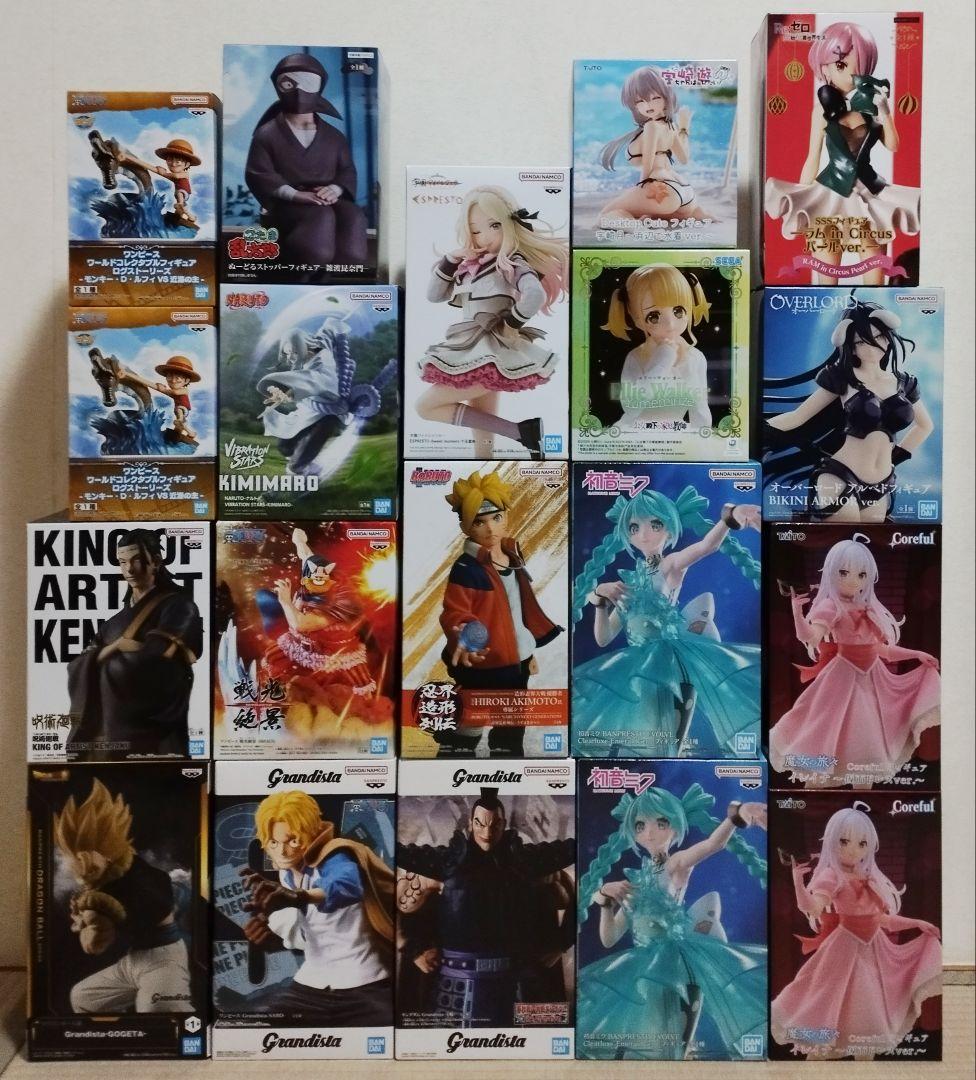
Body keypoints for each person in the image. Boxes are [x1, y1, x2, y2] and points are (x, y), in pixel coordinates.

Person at [576, 785, 767, 1060]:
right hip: (643, 966)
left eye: (661, 823)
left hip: (674, 962)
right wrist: (604, 898)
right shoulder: (635, 882)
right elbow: (609, 938)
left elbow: (712, 844)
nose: (649, 833)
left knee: (674, 1040)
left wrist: (736, 816)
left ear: (675, 827)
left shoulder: (675, 864)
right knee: (652, 1039)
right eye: (640, 826)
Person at [572, 487, 760, 757]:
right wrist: (599, 598)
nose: (644, 534)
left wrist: (729, 517)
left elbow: (707, 546)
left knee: (670, 738)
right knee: (648, 738)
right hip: (637, 667)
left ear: (669, 530)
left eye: (655, 525)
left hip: (670, 661)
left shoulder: (669, 565)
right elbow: (603, 638)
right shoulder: (627, 584)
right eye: (634, 527)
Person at [771, 803, 941, 1059]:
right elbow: (812, 907)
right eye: (844, 841)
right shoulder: (832, 876)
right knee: (827, 1008)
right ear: (832, 841)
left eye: (862, 844)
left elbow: (882, 920)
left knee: (868, 1020)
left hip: (875, 951)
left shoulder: (868, 876)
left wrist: (917, 923)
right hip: (844, 951)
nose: (853, 850)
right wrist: (798, 883)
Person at [770, 534, 940, 787]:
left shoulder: (868, 608)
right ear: (831, 572)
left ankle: (859, 793)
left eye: (861, 575)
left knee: (867, 749)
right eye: (844, 573)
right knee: (823, 735)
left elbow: (881, 650)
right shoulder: (831, 607)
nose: (852, 581)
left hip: (873, 681)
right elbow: (810, 637)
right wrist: (797, 612)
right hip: (841, 681)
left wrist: (916, 654)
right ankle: (813, 790)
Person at [396, 789, 575, 1028]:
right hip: (457, 983)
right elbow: (400, 905)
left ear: (503, 824)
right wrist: (413, 949)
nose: (487, 833)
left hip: (519, 982)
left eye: (494, 825)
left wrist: (561, 943)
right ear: (471, 824)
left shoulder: (530, 864)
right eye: (480, 824)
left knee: (529, 1042)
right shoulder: (444, 864)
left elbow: (575, 886)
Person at [416, 186, 569, 459]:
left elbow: (534, 294)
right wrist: (450, 261)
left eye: (494, 226)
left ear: (510, 225)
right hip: (469, 344)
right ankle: (487, 463)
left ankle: (520, 432)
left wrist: (511, 323)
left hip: (493, 346)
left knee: (425, 406)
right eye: (475, 230)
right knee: (482, 428)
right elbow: (433, 295)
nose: (484, 237)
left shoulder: (511, 263)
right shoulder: (469, 265)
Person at [764, 21, 920, 285]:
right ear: (824, 66)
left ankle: (873, 309)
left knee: (874, 269)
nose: (850, 75)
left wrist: (885, 113)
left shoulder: (872, 107)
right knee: (826, 269)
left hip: (868, 192)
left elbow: (893, 146)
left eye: (858, 68)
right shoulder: (821, 110)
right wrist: (802, 196)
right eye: (840, 65)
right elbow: (812, 156)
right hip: (830, 192)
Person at [763, 299, 933, 521]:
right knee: (845, 534)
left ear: (889, 338)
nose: (872, 347)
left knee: (869, 540)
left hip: (881, 483)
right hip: (840, 475)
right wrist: (757, 431)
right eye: (861, 342)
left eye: (879, 337)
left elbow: (925, 426)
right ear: (851, 346)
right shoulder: (843, 377)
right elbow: (798, 417)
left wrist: (895, 457)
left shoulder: (905, 383)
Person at [239, 790, 394, 1025]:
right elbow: (314, 932)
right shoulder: (286, 874)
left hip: (363, 982)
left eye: (292, 841)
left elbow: (346, 887)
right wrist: (270, 934)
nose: (282, 851)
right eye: (274, 842)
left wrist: (299, 897)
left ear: (310, 833)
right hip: (312, 984)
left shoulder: (336, 856)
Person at [436, 469, 563, 757]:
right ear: (465, 527)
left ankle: (506, 765)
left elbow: (518, 608)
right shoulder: (466, 567)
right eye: (478, 522)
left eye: (496, 518)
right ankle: (451, 762)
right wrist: (465, 633)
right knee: (469, 724)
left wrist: (527, 652)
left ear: (506, 517)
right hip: (483, 661)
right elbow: (455, 610)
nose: (490, 529)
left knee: (511, 728)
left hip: (516, 661)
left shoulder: (512, 553)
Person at [55, 779, 193, 1014]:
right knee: (83, 998)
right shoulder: (109, 877)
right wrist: (86, 919)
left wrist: (96, 916)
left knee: (157, 1010)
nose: (78, 864)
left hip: (164, 959)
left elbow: (94, 945)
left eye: (85, 854)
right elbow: (93, 943)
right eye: (74, 856)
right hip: (133, 961)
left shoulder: (132, 876)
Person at [66, 529, 202, 760]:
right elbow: (77, 665)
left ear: (155, 561)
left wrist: (107, 662)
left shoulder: (179, 606)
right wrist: (116, 647)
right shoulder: (112, 624)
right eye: (122, 562)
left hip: (156, 730)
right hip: (106, 735)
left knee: (116, 667)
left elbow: (156, 658)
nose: (129, 569)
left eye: (136, 560)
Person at [258, 528, 394, 730]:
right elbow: (307, 558)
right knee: (271, 656)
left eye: (323, 576)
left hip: (332, 650)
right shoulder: (312, 579)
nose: (318, 577)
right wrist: (300, 541)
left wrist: (285, 601)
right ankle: (271, 697)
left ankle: (367, 714)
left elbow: (300, 624)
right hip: (300, 643)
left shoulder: (331, 608)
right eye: (315, 574)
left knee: (361, 682)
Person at [244, 52, 367, 269]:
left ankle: (344, 270)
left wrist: (334, 189)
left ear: (319, 87)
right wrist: (295, 195)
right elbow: (258, 173)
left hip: (325, 198)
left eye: (308, 83)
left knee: (352, 217)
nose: (299, 91)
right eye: (288, 84)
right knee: (320, 219)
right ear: (278, 87)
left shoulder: (334, 136)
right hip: (287, 204)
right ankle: (300, 265)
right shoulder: (266, 134)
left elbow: (347, 170)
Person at [600, 264, 713, 433]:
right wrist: (662, 362)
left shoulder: (695, 357)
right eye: (654, 316)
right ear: (638, 320)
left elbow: (700, 407)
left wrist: (703, 435)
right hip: (637, 432)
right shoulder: (636, 357)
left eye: (678, 311)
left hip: (676, 431)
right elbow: (631, 406)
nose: (670, 324)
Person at [596, 65, 709, 228]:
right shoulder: (672, 126)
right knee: (647, 213)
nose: (647, 105)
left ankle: (636, 228)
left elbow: (648, 162)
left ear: (667, 98)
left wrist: (641, 187)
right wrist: (684, 127)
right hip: (686, 192)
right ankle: (695, 213)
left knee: (604, 215)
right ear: (634, 105)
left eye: (655, 98)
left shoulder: (651, 126)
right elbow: (684, 159)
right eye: (640, 101)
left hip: (663, 189)